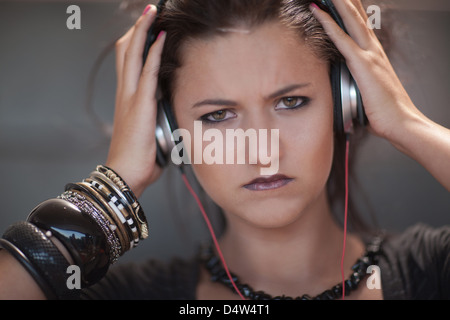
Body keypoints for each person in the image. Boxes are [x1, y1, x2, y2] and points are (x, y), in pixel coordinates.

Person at [0, 0, 449, 300]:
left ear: (349, 103)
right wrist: (117, 182)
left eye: (291, 102)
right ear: (166, 130)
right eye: (217, 116)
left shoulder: (430, 272)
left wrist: (409, 126)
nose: (262, 152)